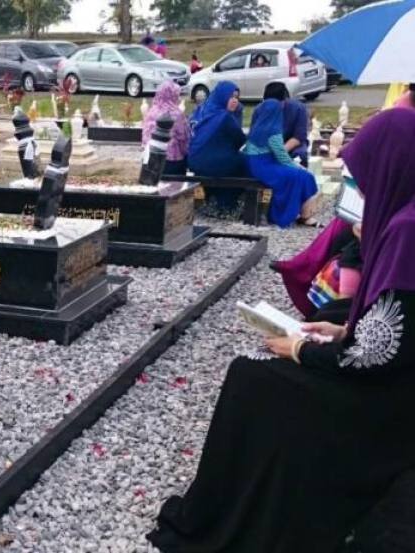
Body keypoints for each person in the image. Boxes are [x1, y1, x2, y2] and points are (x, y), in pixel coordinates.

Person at [148, 108, 415, 553]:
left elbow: (375, 355)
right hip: (396, 381)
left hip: (390, 403)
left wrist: (301, 350)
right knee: (262, 376)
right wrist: (341, 329)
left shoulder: (407, 230)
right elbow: (399, 327)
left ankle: (230, 516)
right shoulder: (405, 216)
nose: (363, 186)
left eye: (366, 171)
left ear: (391, 164)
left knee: (252, 381)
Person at [243, 99, 318, 227]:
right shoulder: (273, 131)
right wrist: (298, 167)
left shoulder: (257, 128)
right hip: (264, 167)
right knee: (304, 176)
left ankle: (301, 213)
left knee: (296, 176)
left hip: (253, 165)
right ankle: (304, 215)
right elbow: (282, 157)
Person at [188, 81, 247, 178]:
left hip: (192, 161)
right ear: (221, 96)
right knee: (248, 161)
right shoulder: (224, 116)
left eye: (236, 97)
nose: (234, 101)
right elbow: (241, 140)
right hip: (211, 166)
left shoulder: (200, 110)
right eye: (230, 97)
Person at [142, 80, 190, 176]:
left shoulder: (151, 112)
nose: (178, 98)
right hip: (171, 162)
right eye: (176, 95)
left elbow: (144, 139)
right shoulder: (176, 114)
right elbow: (184, 139)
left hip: (150, 161)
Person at [256, 82, 309, 166]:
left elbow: (299, 136)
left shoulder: (298, 108)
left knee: (300, 155)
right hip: (268, 145)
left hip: (291, 144)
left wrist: (281, 152)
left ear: (284, 101)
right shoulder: (259, 110)